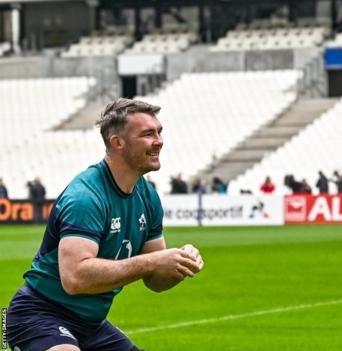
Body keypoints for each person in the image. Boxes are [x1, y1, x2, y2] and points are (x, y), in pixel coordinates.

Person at [6, 98, 204, 351]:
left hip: (91, 324)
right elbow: (75, 278)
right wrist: (154, 261)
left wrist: (180, 264)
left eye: (159, 132)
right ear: (117, 142)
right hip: (39, 315)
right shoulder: (86, 197)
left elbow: (156, 282)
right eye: (148, 134)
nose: (159, 141)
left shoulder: (148, 196)